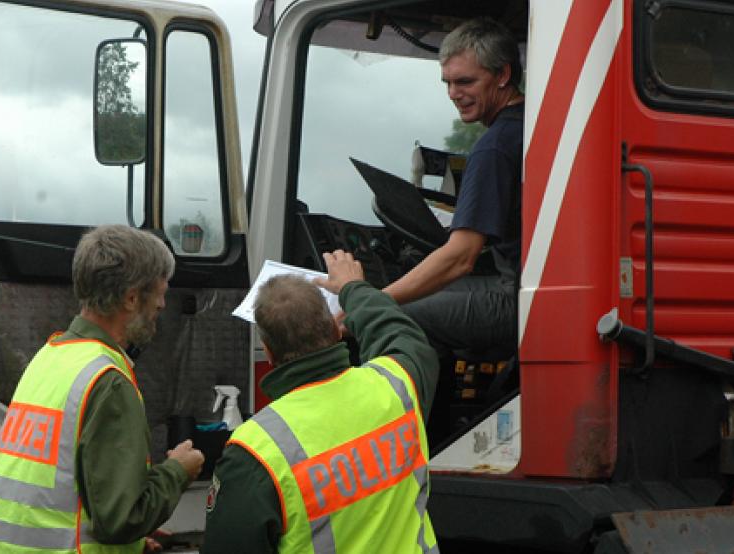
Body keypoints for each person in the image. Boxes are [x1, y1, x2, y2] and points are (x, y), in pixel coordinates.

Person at [0, 224, 205, 553]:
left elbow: (60, 494)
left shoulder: (50, 356)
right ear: (131, 298)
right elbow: (121, 519)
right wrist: (177, 472)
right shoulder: (108, 380)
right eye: (158, 300)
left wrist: (135, 543)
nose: (161, 310)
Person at [202, 250, 440, 553]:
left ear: (269, 352)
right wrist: (353, 288)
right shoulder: (395, 385)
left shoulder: (255, 450)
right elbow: (399, 333)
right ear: (334, 330)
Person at [384, 17, 524, 357]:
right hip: (525, 287)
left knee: (387, 317)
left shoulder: (495, 147)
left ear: (503, 75)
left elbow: (460, 257)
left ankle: (429, 411)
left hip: (517, 300)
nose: (453, 94)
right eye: (447, 83)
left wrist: (374, 299)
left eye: (465, 82)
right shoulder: (528, 124)